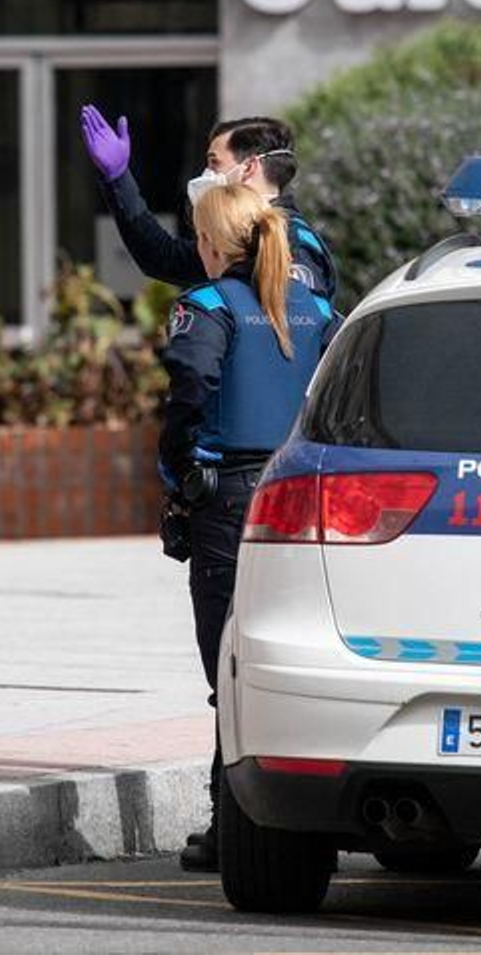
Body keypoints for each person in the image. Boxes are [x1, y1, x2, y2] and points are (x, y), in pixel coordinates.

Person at [159, 183, 337, 871]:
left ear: (210, 244)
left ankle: (233, 822)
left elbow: (190, 393)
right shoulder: (317, 308)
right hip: (301, 495)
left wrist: (178, 477)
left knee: (229, 668)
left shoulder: (206, 306)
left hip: (230, 498)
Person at [78, 107, 338, 303]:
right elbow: (162, 258)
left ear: (248, 167)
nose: (206, 173)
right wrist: (119, 178)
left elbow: (300, 329)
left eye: (214, 162)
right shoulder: (236, 237)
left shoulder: (294, 241)